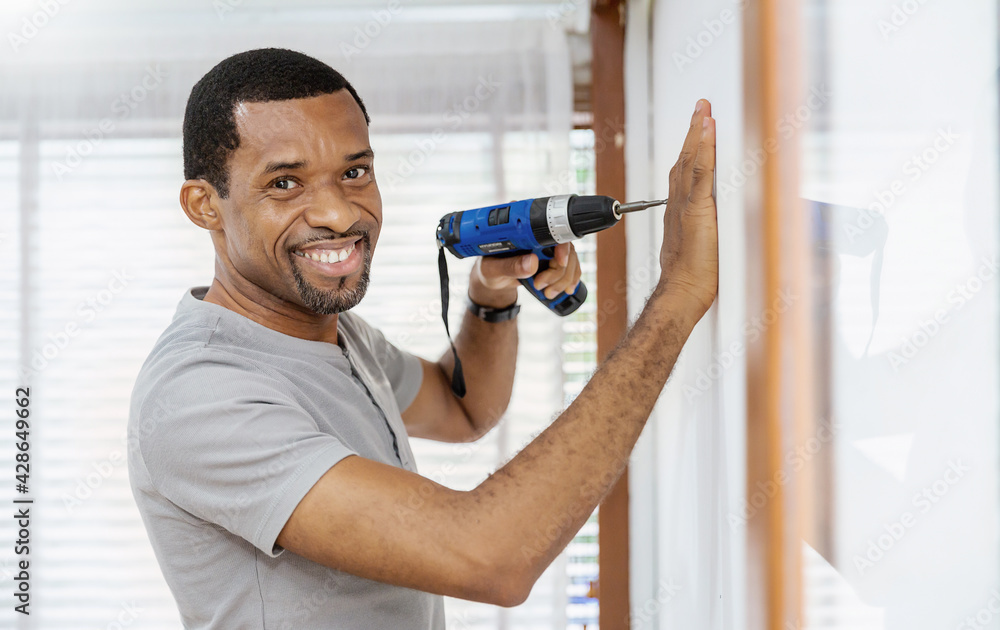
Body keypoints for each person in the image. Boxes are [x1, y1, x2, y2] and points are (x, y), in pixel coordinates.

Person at [127, 47, 717, 629]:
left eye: (354, 172)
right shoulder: (200, 395)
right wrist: (678, 297)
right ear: (204, 204)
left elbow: (464, 409)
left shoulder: (335, 334)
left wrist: (492, 289)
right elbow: (492, 557)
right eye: (285, 183)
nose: (337, 212)